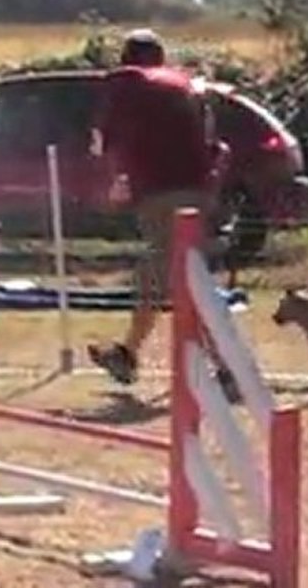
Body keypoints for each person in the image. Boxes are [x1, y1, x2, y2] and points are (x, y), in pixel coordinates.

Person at [87, 28, 226, 386]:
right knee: (175, 276)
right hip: (198, 189)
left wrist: (115, 177)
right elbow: (213, 140)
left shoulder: (126, 84)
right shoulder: (184, 84)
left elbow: (103, 142)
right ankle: (129, 353)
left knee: (177, 279)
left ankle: (229, 365)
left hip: (163, 192)